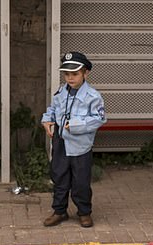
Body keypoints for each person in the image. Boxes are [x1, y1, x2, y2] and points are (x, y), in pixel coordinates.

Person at [41, 51, 106, 228]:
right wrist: (47, 119)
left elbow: (99, 119)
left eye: (75, 74)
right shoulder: (61, 92)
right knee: (59, 177)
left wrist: (76, 124)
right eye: (67, 74)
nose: (70, 78)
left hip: (80, 146)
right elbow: (53, 109)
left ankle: (84, 212)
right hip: (61, 142)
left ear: (85, 73)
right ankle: (59, 211)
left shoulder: (93, 96)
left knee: (80, 181)